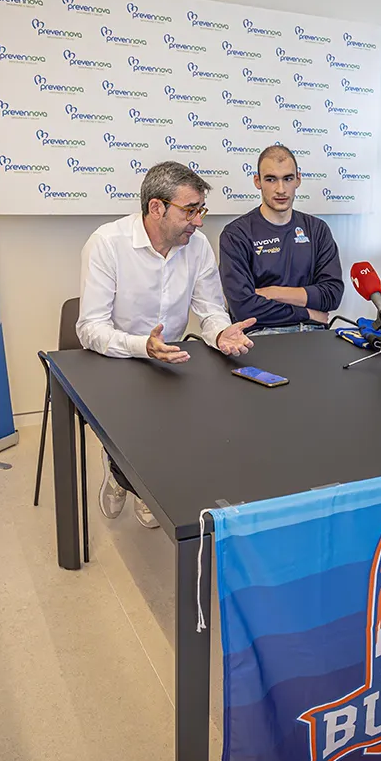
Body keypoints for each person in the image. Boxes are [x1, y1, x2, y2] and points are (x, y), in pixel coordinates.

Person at [77, 161, 256, 527]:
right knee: (130, 431)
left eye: (201, 210)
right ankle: (121, 476)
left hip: (170, 358)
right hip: (115, 358)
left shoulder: (197, 246)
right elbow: (90, 328)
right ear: (156, 207)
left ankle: (148, 487)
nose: (199, 221)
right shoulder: (107, 244)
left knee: (185, 427)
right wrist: (141, 346)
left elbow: (210, 310)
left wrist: (221, 332)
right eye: (190, 211)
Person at [219, 144, 344, 333]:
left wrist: (272, 292)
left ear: (298, 180)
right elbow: (244, 308)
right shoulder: (236, 234)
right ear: (257, 181)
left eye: (288, 179)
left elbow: (332, 295)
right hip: (262, 334)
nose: (281, 189)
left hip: (313, 332)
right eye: (271, 179)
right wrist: (306, 313)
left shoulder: (317, 229)